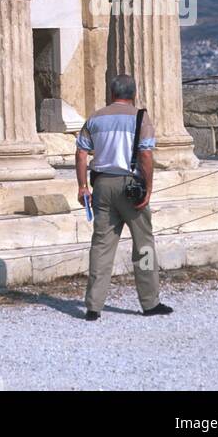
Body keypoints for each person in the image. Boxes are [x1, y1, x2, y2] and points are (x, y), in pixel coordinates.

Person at [75, 73, 173, 322]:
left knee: (101, 245)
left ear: (111, 93)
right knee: (144, 244)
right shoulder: (141, 118)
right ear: (134, 94)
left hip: (102, 184)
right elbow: (146, 156)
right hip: (131, 185)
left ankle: (94, 306)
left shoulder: (96, 117)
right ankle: (150, 302)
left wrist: (82, 186)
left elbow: (81, 153)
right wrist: (148, 188)